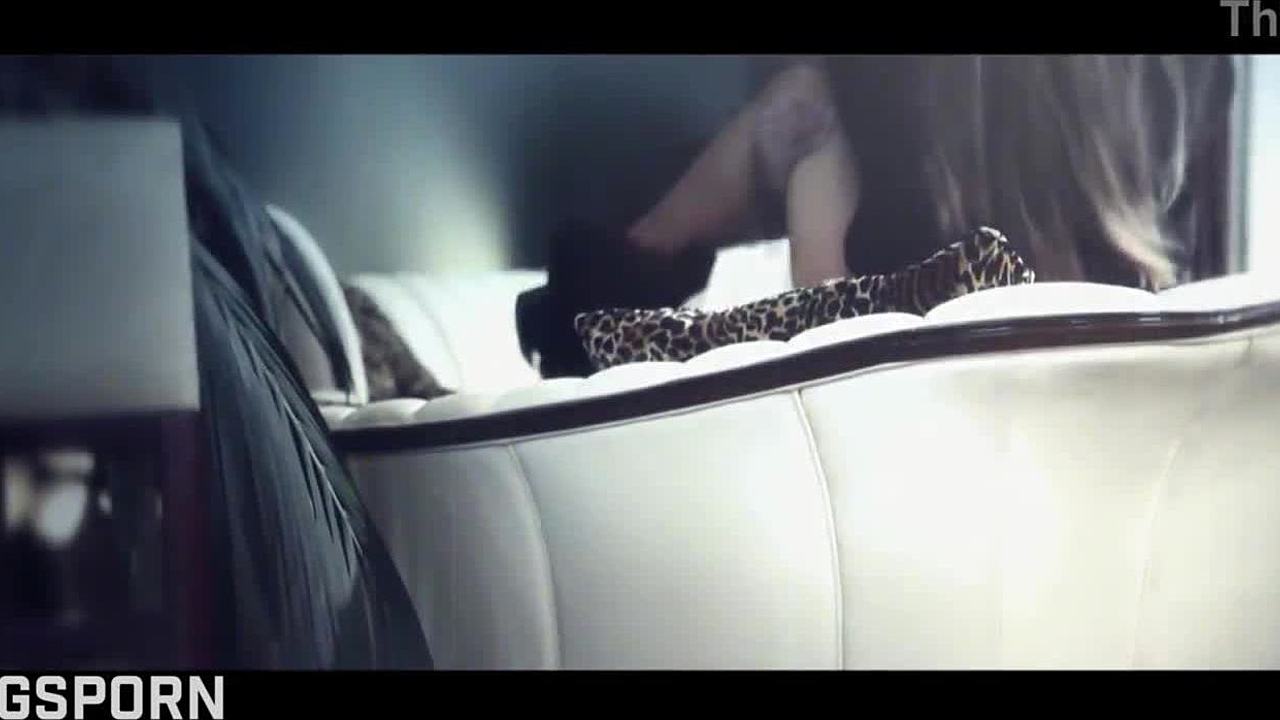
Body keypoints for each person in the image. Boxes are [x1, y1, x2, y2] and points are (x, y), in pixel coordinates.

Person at [519, 55, 1237, 376]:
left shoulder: (869, 94)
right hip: (1113, 391)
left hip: (907, 391)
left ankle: (597, 305)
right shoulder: (1192, 82)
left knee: (802, 113)